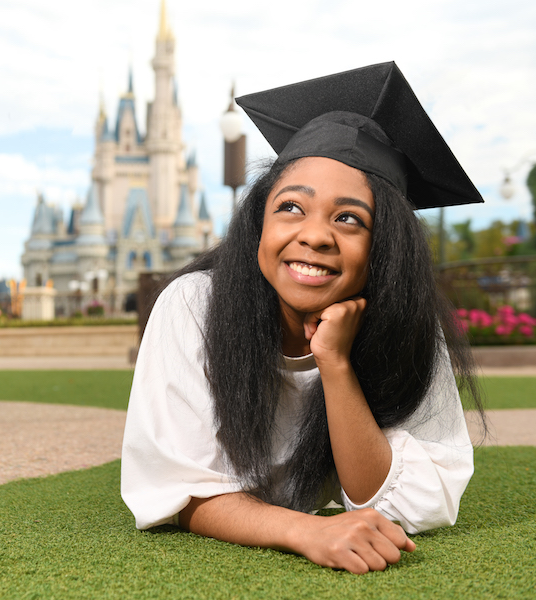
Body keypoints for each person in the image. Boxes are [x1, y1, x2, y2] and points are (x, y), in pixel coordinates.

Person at [121, 62, 487, 575]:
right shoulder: (193, 306)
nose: (314, 235)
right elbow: (178, 487)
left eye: (348, 218)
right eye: (291, 207)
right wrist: (305, 530)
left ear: (384, 247)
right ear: (259, 224)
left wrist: (335, 363)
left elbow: (402, 504)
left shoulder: (407, 327)